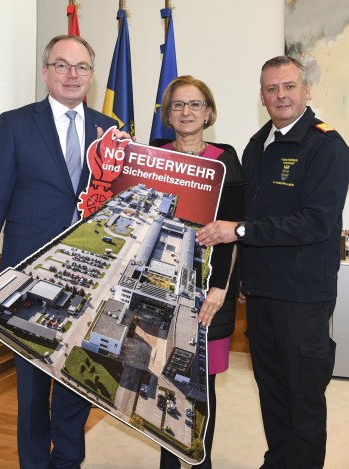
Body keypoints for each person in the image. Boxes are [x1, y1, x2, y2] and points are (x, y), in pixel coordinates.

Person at [196, 56, 349, 469]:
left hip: (302, 297)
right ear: (261, 96)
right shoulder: (258, 142)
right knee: (273, 392)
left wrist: (239, 231)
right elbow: (254, 206)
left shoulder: (326, 145)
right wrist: (243, 275)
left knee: (302, 398)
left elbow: (315, 223)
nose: (280, 95)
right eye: (271, 88)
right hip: (261, 294)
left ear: (306, 90)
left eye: (288, 86)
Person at [0, 35, 131, 468]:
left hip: (91, 275)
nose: (72, 75)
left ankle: (67, 460)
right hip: (29, 271)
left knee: (78, 375)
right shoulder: (15, 123)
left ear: (91, 73)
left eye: (81, 67)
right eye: (62, 65)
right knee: (31, 382)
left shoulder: (111, 129)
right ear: (46, 71)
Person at [153, 75, 246, 469]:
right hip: (159, 285)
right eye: (178, 105)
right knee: (160, 377)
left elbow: (233, 230)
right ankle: (168, 459)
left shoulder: (225, 159)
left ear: (208, 112)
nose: (186, 112)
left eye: (195, 104)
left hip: (210, 289)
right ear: (167, 114)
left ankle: (198, 460)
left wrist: (221, 289)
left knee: (201, 385)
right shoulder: (155, 154)